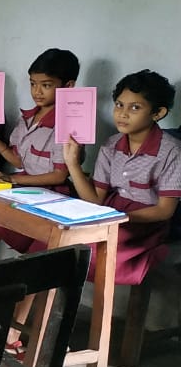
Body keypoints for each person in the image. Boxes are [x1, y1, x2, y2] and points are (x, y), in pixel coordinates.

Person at [0, 48, 81, 275]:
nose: (37, 91)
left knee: (0, 219)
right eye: (33, 84)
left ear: (68, 86)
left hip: (51, 193)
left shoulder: (69, 124)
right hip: (22, 186)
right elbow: (19, 160)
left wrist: (11, 179)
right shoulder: (29, 118)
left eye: (46, 85)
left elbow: (59, 175)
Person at [64, 69, 180, 287]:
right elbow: (95, 200)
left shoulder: (171, 151)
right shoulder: (111, 145)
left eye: (135, 107)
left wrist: (120, 218)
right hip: (109, 213)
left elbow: (164, 210)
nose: (123, 114)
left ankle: (101, 308)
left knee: (99, 248)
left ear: (158, 113)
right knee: (62, 240)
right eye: (119, 105)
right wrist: (72, 164)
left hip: (145, 222)